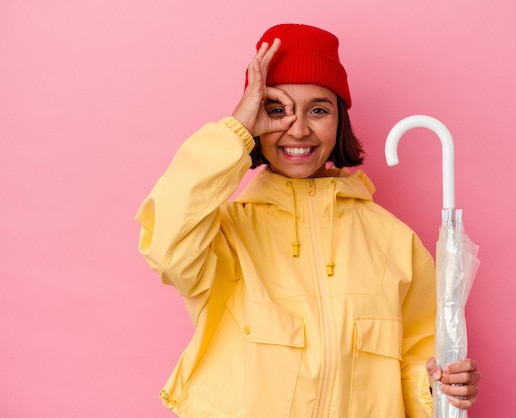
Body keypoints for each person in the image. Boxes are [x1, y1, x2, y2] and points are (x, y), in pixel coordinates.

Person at [135, 23, 480, 418]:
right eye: (276, 110)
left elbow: (415, 362)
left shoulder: (395, 242)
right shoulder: (223, 234)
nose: (298, 129)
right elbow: (166, 247)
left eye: (318, 110)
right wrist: (236, 130)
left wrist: (439, 388)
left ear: (340, 120)